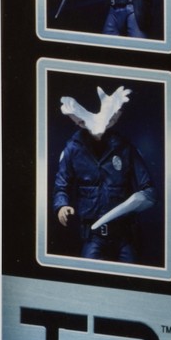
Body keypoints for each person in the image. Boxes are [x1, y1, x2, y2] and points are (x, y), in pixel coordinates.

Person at [53, 86, 156, 262]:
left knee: (130, 272)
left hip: (124, 234)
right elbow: (61, 185)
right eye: (81, 122)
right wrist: (61, 205)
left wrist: (141, 200)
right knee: (89, 273)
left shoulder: (124, 147)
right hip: (93, 235)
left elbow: (148, 188)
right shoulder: (73, 149)